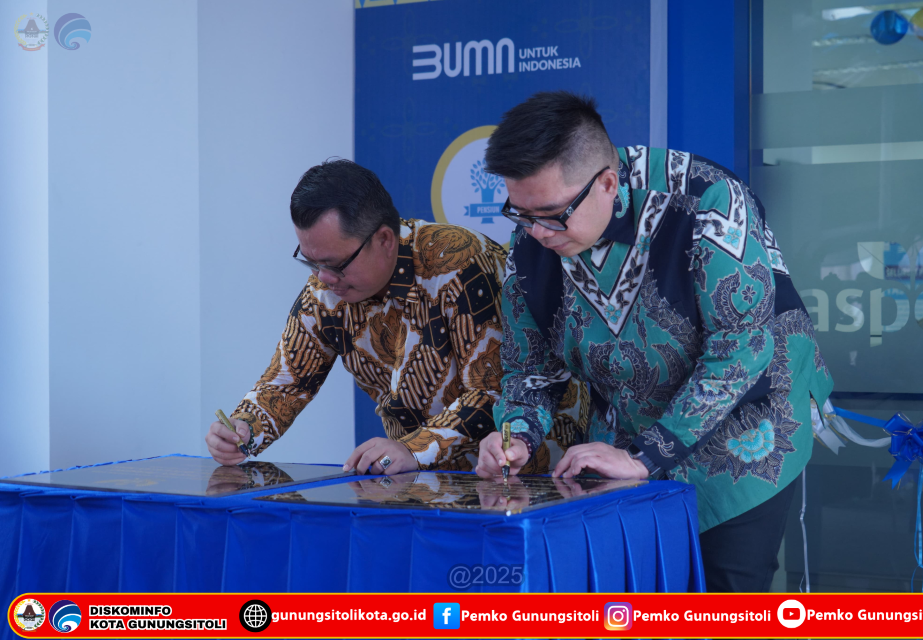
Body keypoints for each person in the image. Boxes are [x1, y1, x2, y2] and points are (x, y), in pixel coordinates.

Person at [475, 91, 834, 592]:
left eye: (552, 214)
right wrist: (516, 436)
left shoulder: (708, 201)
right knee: (631, 591)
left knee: (724, 594)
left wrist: (645, 456)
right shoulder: (532, 242)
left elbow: (739, 352)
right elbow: (531, 371)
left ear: (606, 183)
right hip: (628, 428)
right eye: (521, 214)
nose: (536, 232)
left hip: (746, 423)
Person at [205, 159, 513, 475]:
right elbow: (287, 383)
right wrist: (244, 428)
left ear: (384, 240)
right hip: (413, 480)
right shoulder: (324, 290)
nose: (324, 279)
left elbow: (494, 393)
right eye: (311, 263)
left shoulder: (459, 263)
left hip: (511, 475)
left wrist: (413, 448)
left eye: (335, 264)